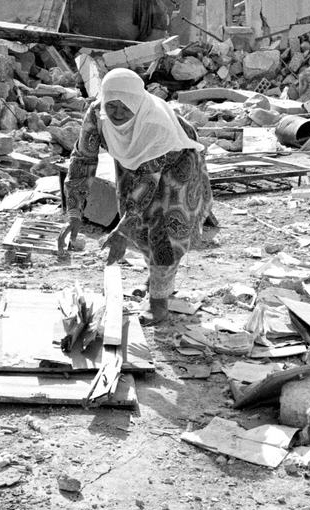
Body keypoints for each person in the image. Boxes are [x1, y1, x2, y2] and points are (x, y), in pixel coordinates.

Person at [60, 68, 214, 325]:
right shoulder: (98, 114)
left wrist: (121, 231)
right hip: (133, 162)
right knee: (140, 228)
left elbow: (147, 183)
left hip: (176, 161)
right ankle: (157, 278)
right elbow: (82, 159)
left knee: (166, 230)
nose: (117, 113)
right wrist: (74, 212)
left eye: (125, 107)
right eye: (112, 105)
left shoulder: (154, 123)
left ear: (137, 103)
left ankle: (159, 303)